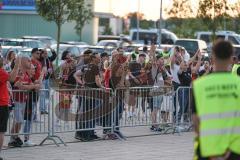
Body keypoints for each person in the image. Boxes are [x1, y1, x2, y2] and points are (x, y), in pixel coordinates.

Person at [192, 40, 240, 160]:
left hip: (208, 150)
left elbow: (195, 121)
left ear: (213, 58)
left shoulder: (199, 85)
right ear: (231, 58)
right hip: (235, 150)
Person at [8, 57, 41, 148]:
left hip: (23, 100)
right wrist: (31, 86)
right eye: (28, 61)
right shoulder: (19, 72)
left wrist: (32, 85)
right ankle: (13, 138)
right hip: (17, 100)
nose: (30, 62)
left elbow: (33, 86)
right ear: (22, 62)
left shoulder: (26, 74)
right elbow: (19, 85)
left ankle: (14, 138)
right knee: (18, 120)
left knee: (19, 121)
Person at [0, 56, 20, 160]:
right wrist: (16, 65)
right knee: (1, 131)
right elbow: (12, 78)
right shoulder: (1, 72)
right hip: (1, 104)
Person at [39, 47, 57, 114]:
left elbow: (54, 55)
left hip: (48, 78)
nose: (46, 54)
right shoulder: (40, 59)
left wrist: (50, 48)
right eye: (45, 53)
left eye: (47, 53)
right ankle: (42, 109)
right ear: (42, 54)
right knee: (42, 94)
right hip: (42, 79)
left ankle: (45, 108)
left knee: (47, 94)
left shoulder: (48, 59)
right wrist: (43, 50)